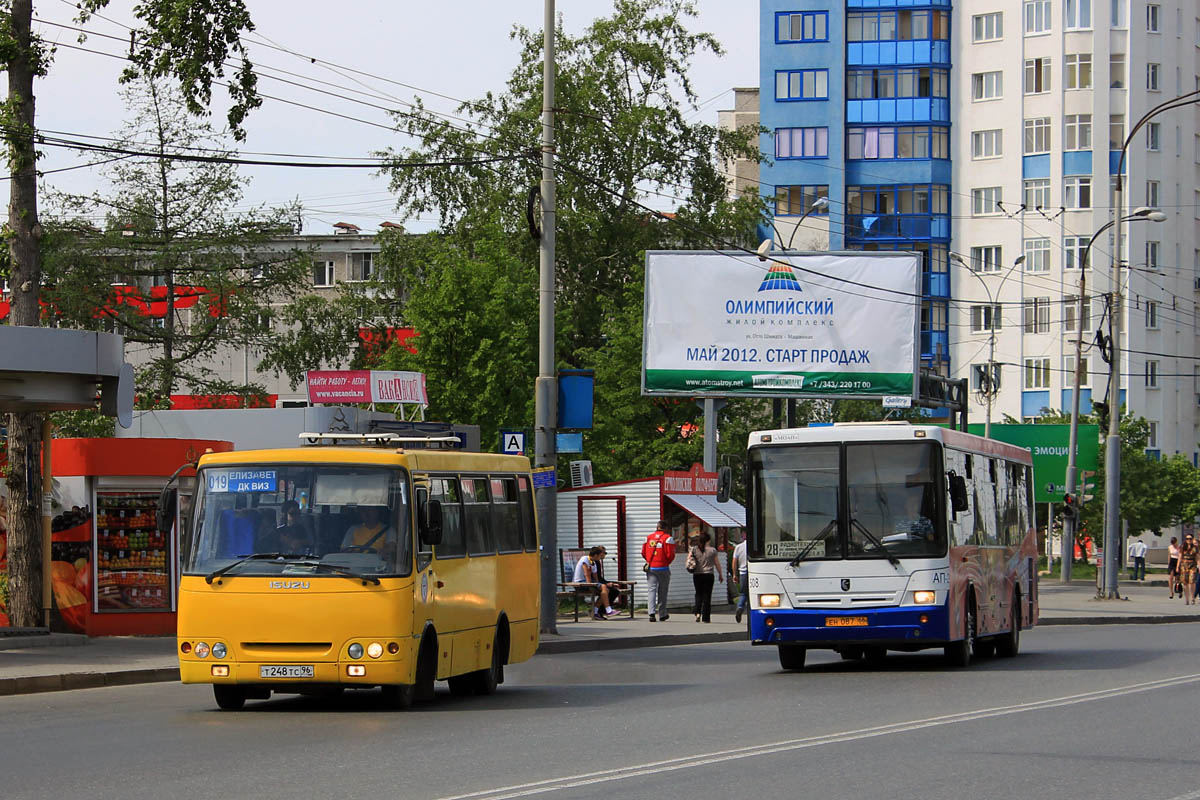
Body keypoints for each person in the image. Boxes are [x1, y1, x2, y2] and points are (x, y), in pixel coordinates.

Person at [642, 521, 676, 622]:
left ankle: (651, 613)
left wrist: (649, 561)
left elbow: (643, 552)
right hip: (663, 567)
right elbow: (670, 554)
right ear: (665, 528)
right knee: (662, 591)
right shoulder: (668, 538)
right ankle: (662, 614)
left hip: (651, 567)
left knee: (651, 590)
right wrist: (666, 562)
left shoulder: (648, 538)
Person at [573, 546, 619, 619]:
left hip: (589, 582)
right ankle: (608, 610)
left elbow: (596, 577)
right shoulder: (585, 559)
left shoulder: (593, 563)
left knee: (606, 590)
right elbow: (586, 575)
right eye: (599, 556)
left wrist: (599, 585)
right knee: (604, 587)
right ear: (595, 555)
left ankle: (596, 611)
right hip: (580, 583)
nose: (600, 558)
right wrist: (593, 585)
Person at [689, 532, 723, 623]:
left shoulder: (694, 549)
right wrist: (720, 574)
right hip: (709, 575)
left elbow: (689, 559)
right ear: (708, 540)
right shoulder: (712, 550)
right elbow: (717, 563)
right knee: (707, 596)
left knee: (698, 593)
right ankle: (706, 617)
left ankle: (697, 613)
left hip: (697, 574)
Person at [732, 536, 749, 624]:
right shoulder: (755, 546)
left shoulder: (738, 547)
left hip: (743, 573)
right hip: (755, 572)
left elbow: (734, 561)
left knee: (743, 593)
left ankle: (740, 606)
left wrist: (734, 574)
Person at [1179, 533, 1199, 606]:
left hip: (1192, 565)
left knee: (1192, 581)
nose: (1189, 540)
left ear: (1192, 539)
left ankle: (1193, 598)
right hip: (1184, 565)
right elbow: (1180, 557)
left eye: (1190, 539)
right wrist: (1178, 566)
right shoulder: (1183, 546)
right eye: (1187, 539)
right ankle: (1187, 599)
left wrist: (1199, 566)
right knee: (1185, 583)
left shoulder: (1195, 547)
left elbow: (1197, 558)